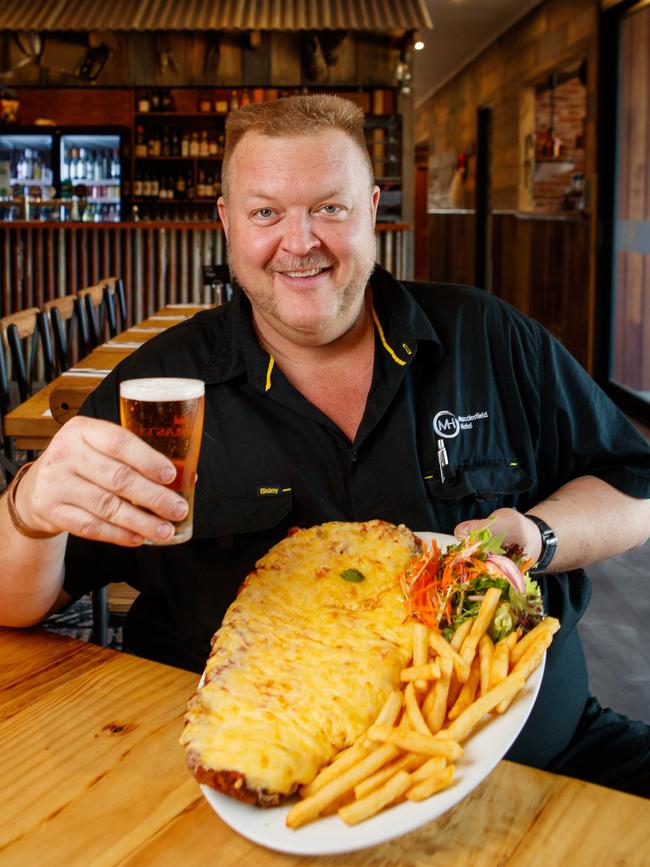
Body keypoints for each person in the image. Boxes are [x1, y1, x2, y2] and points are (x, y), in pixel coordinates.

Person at [1, 95, 649, 796]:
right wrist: (29, 508)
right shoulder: (158, 397)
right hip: (254, 794)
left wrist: (539, 535)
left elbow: (634, 484)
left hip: (543, 769)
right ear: (226, 222)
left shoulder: (487, 337)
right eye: (266, 212)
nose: (300, 240)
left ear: (371, 209)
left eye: (330, 208)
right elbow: (17, 605)